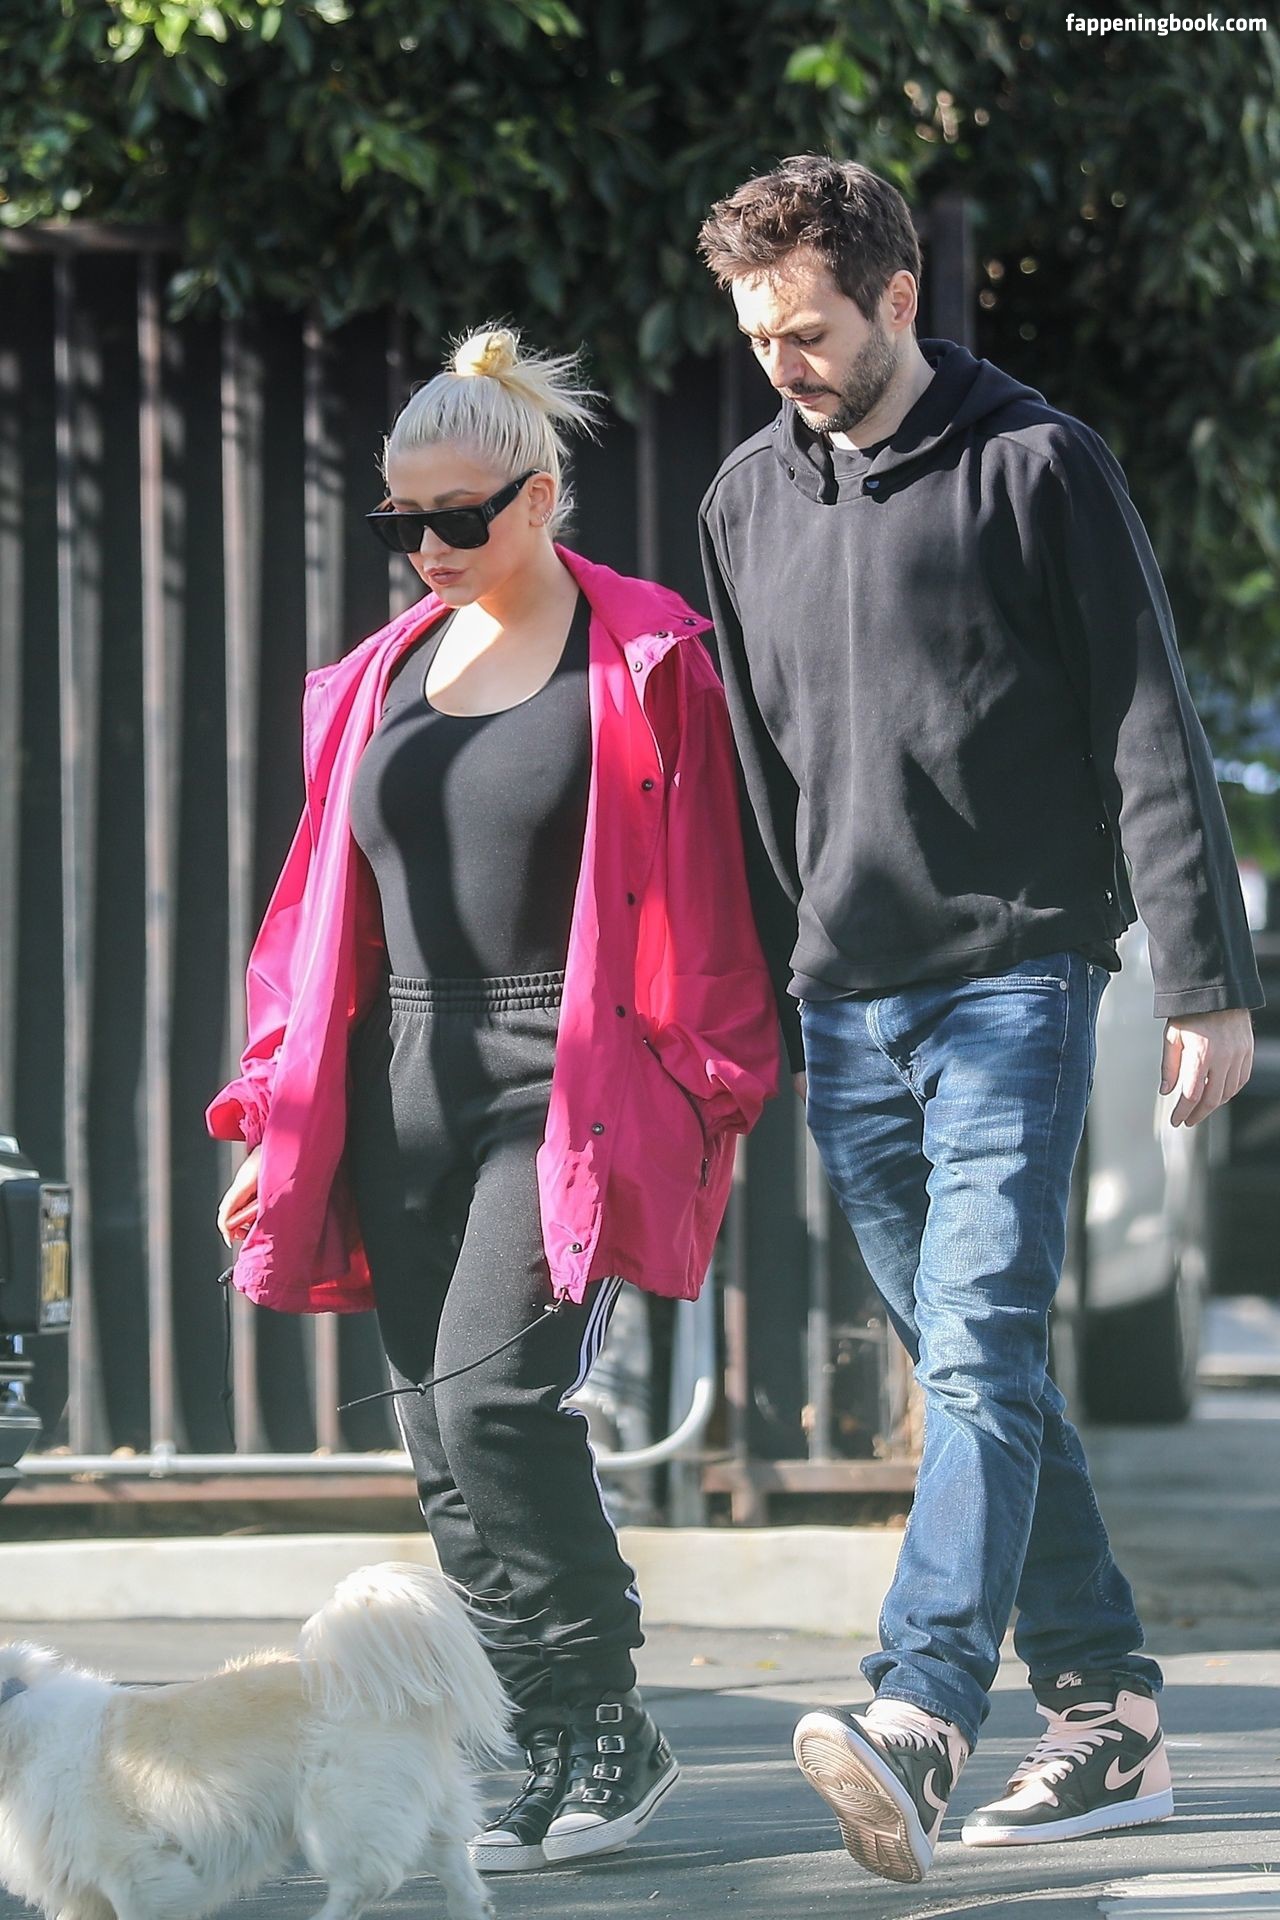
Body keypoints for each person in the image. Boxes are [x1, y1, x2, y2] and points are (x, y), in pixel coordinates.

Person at [696, 156, 1262, 1886]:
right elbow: (758, 781)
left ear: (898, 297)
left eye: (807, 330)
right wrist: (756, 996)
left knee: (978, 1341)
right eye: (758, 336)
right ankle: (1109, 1713)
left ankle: (925, 1708)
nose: (783, 362)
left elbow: (1149, 721)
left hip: (1015, 977)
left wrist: (1207, 980)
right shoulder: (741, 502)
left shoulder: (1037, 464)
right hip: (844, 1007)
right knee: (977, 1359)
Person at [208, 326, 779, 1873]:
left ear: (539, 498)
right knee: (434, 1437)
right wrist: (272, 1117)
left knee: (494, 1403)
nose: (428, 548)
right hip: (399, 1073)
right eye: (402, 521)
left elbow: (715, 898)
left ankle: (608, 1717)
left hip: (568, 1071)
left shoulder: (646, 661)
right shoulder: (378, 677)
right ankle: (542, 1725)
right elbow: (315, 915)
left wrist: (709, 1085)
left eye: (459, 517)